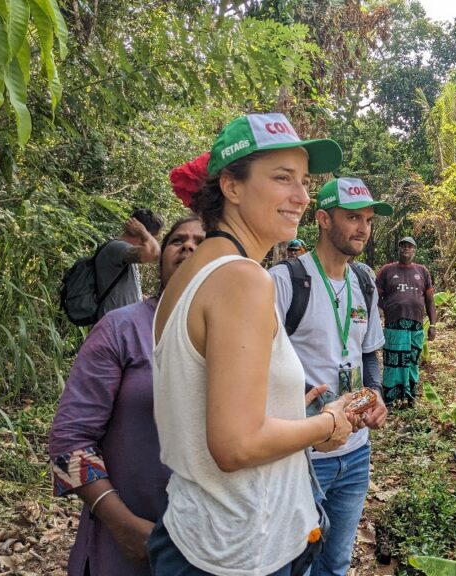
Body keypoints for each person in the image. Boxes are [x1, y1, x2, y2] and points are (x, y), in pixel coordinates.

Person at [150, 113, 357, 576]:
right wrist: (327, 423)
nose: (302, 196)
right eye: (282, 178)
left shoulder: (188, 276)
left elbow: (203, 403)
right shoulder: (242, 279)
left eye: (304, 181)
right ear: (232, 186)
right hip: (241, 549)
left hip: (194, 532)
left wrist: (289, 411)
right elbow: (235, 445)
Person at [49, 216, 205, 576]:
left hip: (214, 544)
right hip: (128, 543)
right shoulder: (121, 328)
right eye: (177, 240)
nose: (188, 245)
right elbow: (68, 440)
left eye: (201, 241)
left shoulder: (239, 335)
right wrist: (122, 525)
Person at [269, 176, 391, 576]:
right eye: (353, 217)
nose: (363, 228)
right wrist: (314, 403)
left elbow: (368, 351)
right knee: (295, 563)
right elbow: (260, 366)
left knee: (336, 562)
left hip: (355, 453)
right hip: (303, 454)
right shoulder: (284, 281)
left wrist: (375, 394)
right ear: (323, 219)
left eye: (368, 220)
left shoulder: (364, 282)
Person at [375, 236, 437, 407]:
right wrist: (387, 307)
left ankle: (409, 396)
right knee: (394, 360)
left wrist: (433, 324)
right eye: (403, 246)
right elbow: (375, 296)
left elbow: (430, 300)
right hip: (394, 324)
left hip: (416, 325)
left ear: (414, 250)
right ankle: (391, 397)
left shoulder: (422, 271)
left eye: (409, 246)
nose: (406, 249)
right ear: (399, 249)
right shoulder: (387, 270)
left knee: (412, 361)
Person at [95, 208, 164, 320]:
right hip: (113, 325)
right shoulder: (116, 248)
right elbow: (154, 253)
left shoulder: (127, 254)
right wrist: (144, 232)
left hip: (122, 324)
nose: (153, 241)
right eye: (153, 238)